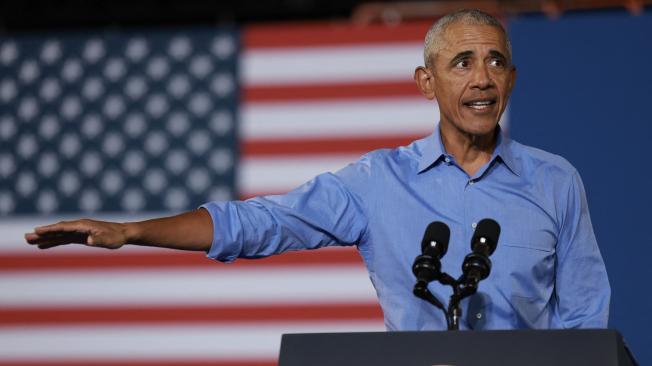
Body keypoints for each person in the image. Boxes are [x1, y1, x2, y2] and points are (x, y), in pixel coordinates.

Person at [25, 9, 610, 330]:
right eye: (463, 62)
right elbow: (257, 224)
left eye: (495, 62)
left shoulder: (555, 180)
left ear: (511, 79)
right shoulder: (379, 181)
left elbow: (585, 316)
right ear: (426, 83)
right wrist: (131, 231)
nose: (482, 77)